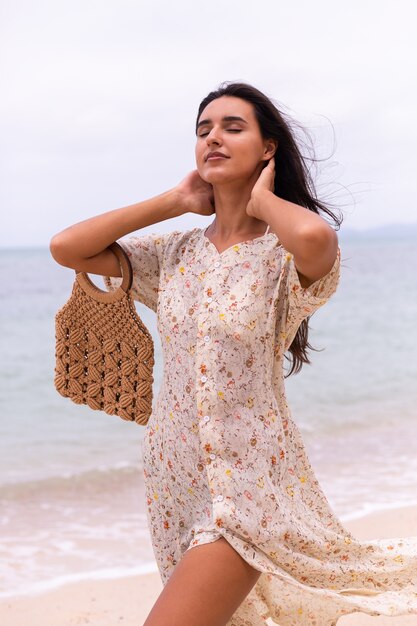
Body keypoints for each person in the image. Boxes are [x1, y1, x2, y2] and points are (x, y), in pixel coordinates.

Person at [50, 82, 417, 626]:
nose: (213, 138)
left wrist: (264, 202)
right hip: (174, 483)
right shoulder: (174, 253)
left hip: (247, 491)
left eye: (232, 127)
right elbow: (67, 247)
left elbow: (318, 237)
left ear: (268, 148)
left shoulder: (282, 256)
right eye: (203, 130)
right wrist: (173, 202)